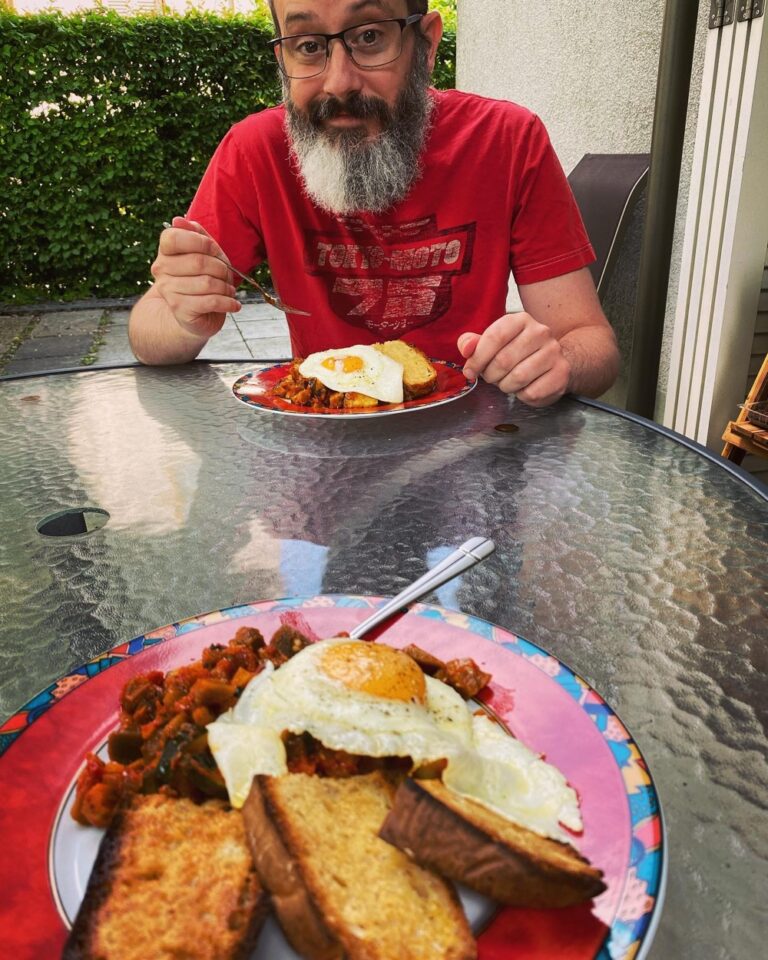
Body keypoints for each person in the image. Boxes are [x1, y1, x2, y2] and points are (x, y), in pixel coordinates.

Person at [128, 0, 619, 407]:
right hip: (322, 448)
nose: (339, 82)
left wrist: (557, 361)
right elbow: (147, 334)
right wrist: (183, 315)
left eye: (368, 38)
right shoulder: (255, 150)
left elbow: (593, 345)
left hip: (473, 444)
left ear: (424, 44)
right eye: (308, 46)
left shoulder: (507, 141)